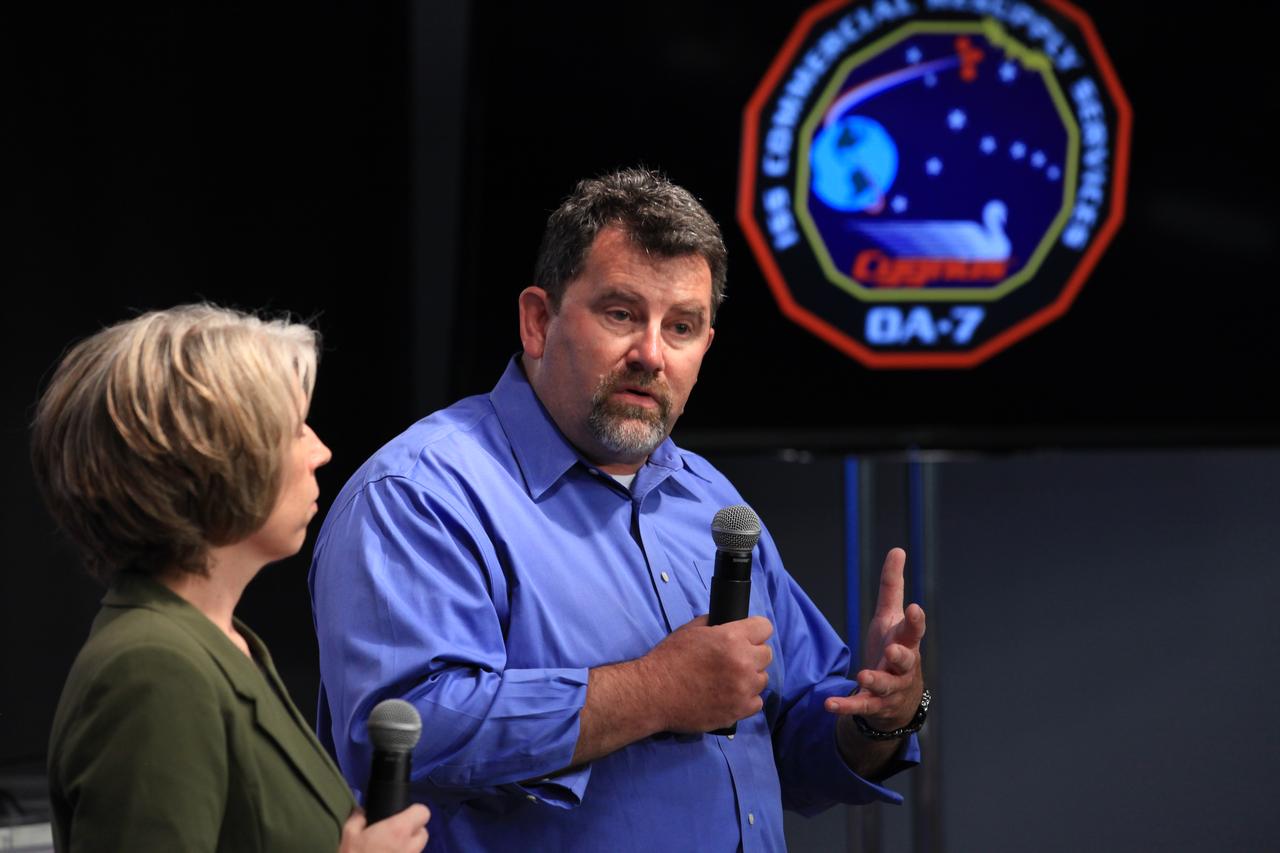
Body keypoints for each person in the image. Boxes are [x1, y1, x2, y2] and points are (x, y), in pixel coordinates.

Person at [310, 169, 928, 851]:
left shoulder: (712, 501)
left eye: (682, 326)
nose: (651, 355)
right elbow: (397, 737)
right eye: (621, 314)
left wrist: (883, 716)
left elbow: (795, 735)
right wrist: (653, 690)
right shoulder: (421, 493)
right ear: (538, 321)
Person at [33, 304, 431, 853]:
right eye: (294, 430)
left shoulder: (215, 642)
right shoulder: (153, 668)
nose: (321, 451)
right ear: (212, 461)